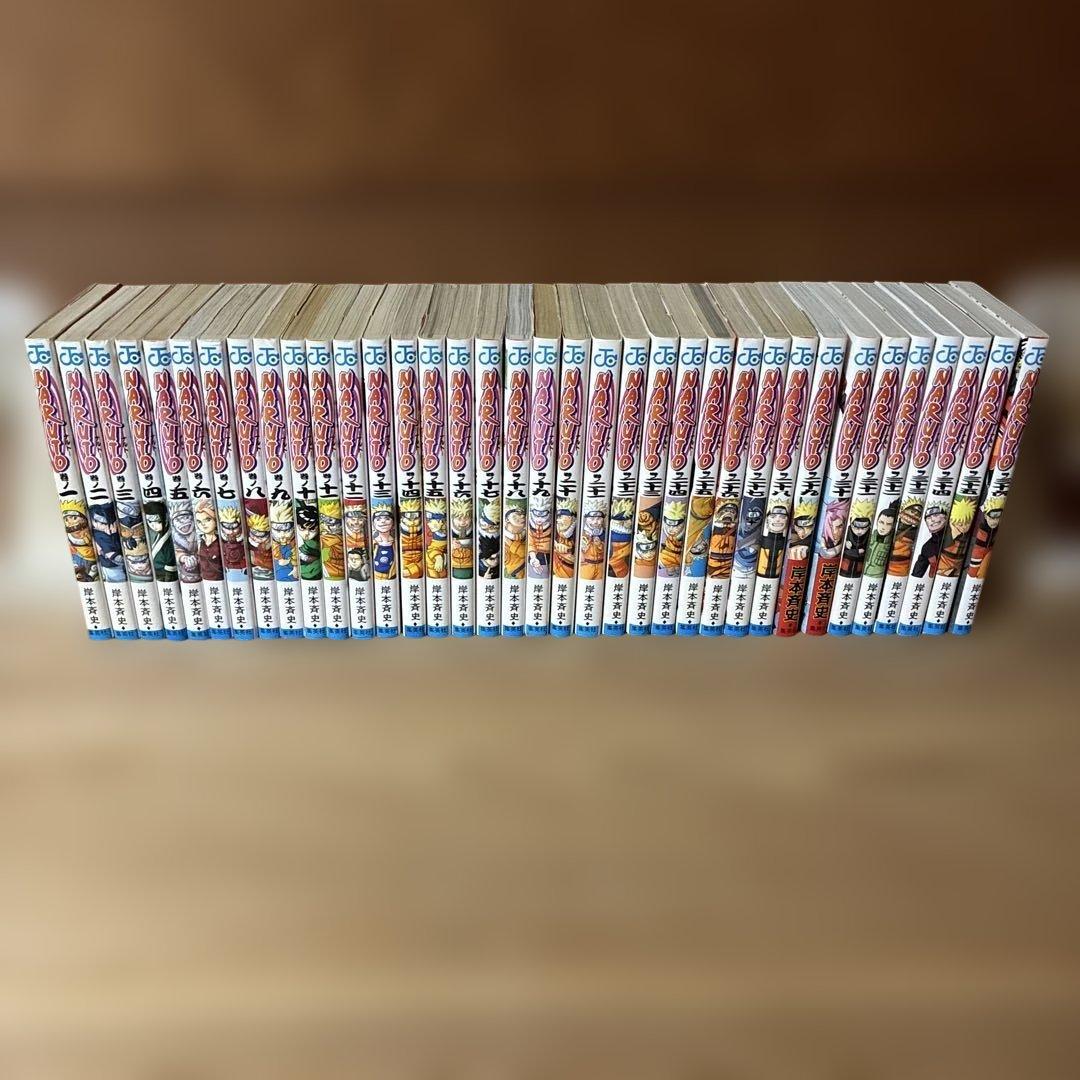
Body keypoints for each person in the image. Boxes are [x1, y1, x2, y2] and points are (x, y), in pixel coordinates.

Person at [863, 501, 899, 580]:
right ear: (877, 521)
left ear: (893, 526)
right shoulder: (870, 537)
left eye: (888, 524)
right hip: (863, 574)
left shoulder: (891, 543)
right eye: (881, 522)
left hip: (878, 577)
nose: (883, 527)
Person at [912, 501, 949, 578]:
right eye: (928, 518)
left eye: (936, 515)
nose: (932, 520)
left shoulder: (954, 537)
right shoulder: (927, 547)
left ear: (946, 517)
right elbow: (916, 575)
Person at [756, 499, 790, 578]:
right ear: (767, 520)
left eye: (783, 517)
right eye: (773, 516)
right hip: (760, 575)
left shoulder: (786, 542)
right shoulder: (762, 540)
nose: (778, 520)